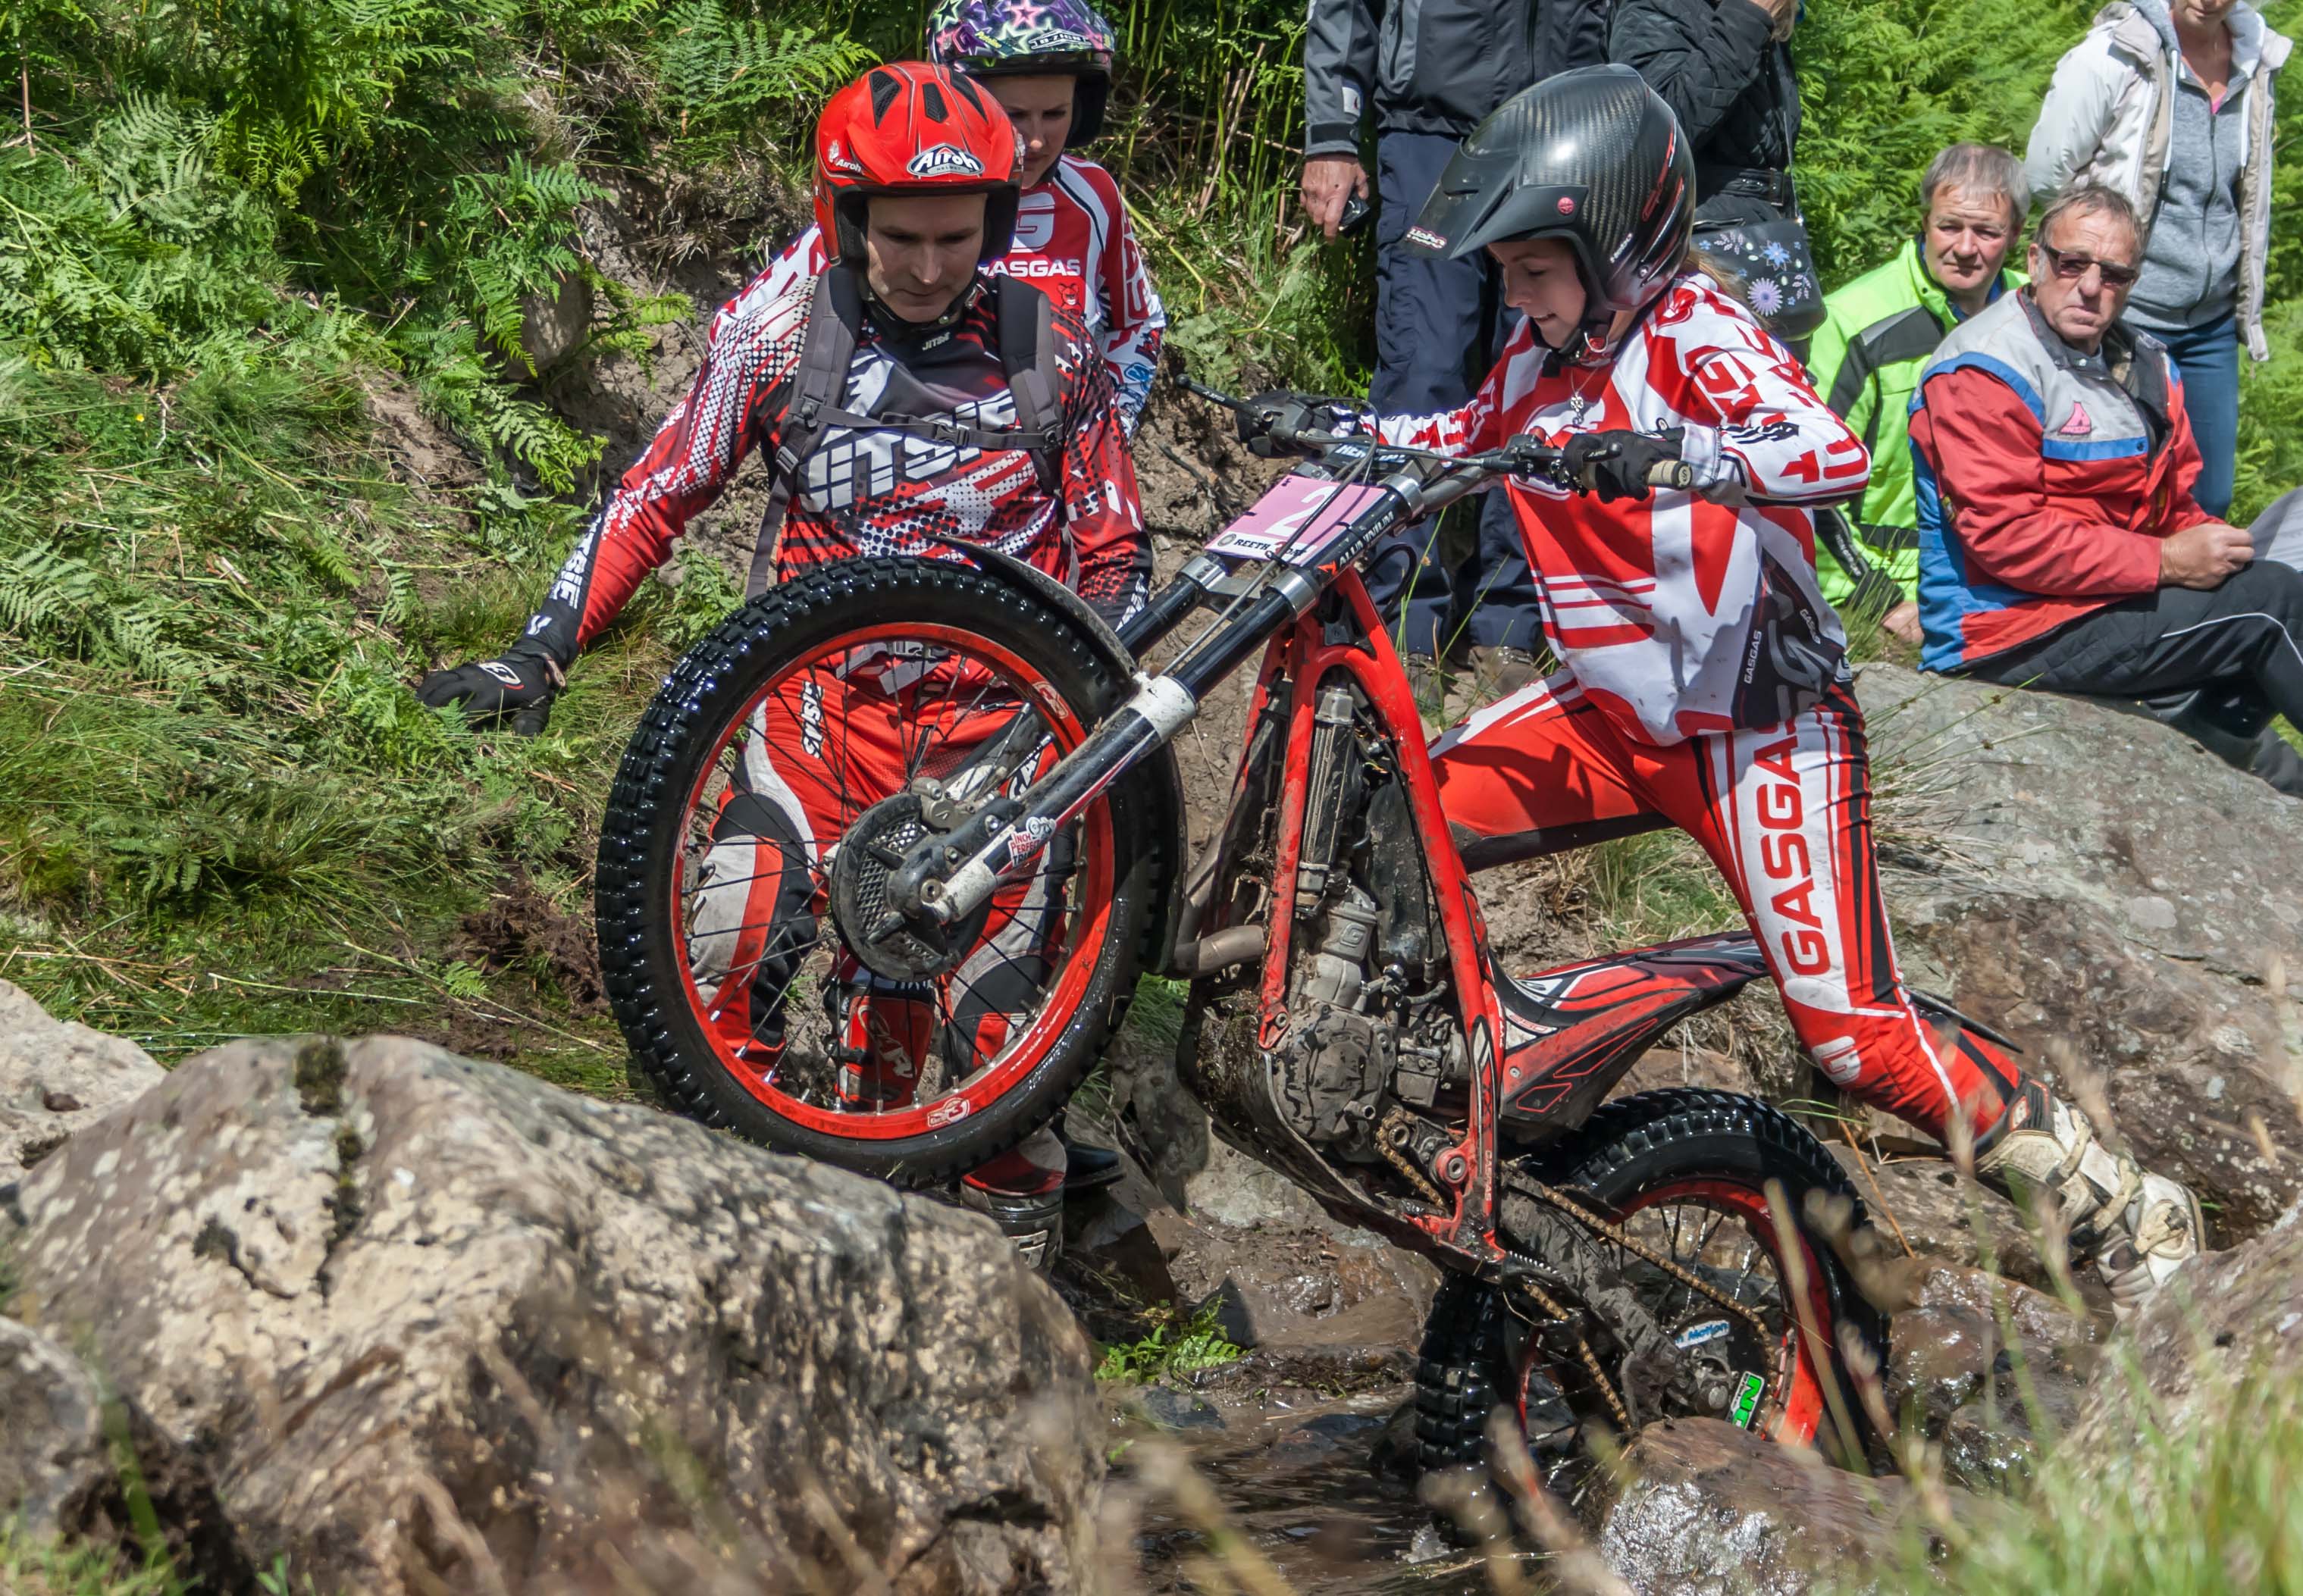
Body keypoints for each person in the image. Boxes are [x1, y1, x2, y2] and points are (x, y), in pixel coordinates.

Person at [1371, 69, 2203, 1313]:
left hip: (1762, 732)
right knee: (1394, 813)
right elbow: (1464, 441)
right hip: (1612, 718)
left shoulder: (1691, 332)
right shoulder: (1544, 351)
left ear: (1614, 251)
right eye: (1504, 270)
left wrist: (1685, 453)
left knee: (1853, 1037)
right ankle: (1486, 1083)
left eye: (1532, 268)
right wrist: (1338, 432)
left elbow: (1823, 446)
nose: (1513, 291)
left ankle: (2119, 1203)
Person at [415, 63, 1152, 1266]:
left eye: (956, 236)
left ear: (996, 219)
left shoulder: (1052, 351)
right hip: (819, 716)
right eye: (900, 238)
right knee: (731, 945)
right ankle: (731, 1253)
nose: (928, 266)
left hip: (997, 747)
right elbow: (656, 494)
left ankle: (1033, 1321)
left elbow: (1117, 556)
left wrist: (1067, 734)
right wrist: (538, 653)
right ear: (844, 219)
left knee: (1006, 1061)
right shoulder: (776, 335)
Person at [1908, 182, 2303, 799]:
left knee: (2270, 572)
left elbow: (2172, 503)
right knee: (2271, 603)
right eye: (2073, 264)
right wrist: (2166, 561)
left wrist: (2207, 543)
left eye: (2113, 273)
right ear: (2036, 261)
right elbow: (2006, 539)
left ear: (2133, 281)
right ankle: (2212, 748)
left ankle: (2207, 751)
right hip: (2004, 628)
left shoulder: (2148, 363)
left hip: (2099, 601)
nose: (2091, 286)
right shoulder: (1984, 367)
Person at [1303, 0, 1611, 706]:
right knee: (1423, 373)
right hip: (1432, 127)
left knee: (1547, 380)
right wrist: (1333, 133)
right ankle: (1404, 625)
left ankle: (1511, 623)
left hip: (1566, 132)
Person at [750, 0, 1166, 436]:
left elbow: (1139, 323)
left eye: (1055, 114)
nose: (1037, 141)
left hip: (1052, 462)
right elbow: (739, 332)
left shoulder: (1094, 196)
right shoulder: (884, 199)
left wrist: (1107, 431)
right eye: (1014, 116)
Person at [2026, 0, 2292, 521]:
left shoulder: (2255, 59)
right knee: (2118, 492)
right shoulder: (2115, 55)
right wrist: (2098, 261)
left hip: (2210, 325)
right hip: (2122, 316)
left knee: (2207, 499)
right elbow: (2045, 176)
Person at [1806, 145, 2030, 643]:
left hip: (2006, 574)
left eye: (1987, 232)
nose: (1965, 248)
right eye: (1950, 226)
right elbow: (1808, 481)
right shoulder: (1852, 321)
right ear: (1925, 220)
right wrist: (1877, 599)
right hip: (1882, 585)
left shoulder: (2034, 312)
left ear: (2015, 234)